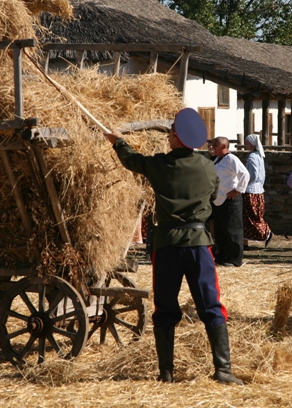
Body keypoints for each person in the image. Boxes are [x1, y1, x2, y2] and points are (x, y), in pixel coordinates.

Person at [104, 108, 242, 385]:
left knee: (165, 308)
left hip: (166, 245)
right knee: (211, 305)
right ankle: (223, 370)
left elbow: (132, 161)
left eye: (170, 134)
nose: (167, 137)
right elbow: (215, 193)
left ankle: (166, 372)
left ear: (178, 139)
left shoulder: (160, 165)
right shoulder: (207, 166)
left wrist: (117, 141)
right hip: (199, 245)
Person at [210, 137, 250, 267]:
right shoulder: (217, 160)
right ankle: (222, 257)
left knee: (233, 229)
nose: (212, 147)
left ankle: (234, 259)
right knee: (220, 229)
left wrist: (238, 190)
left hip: (230, 198)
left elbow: (245, 174)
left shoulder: (231, 159)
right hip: (219, 199)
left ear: (223, 147)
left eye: (215, 145)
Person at [242, 134, 273, 247]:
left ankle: (266, 232)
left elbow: (254, 174)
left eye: (247, 142)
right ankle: (244, 242)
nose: (245, 144)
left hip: (251, 191)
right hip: (258, 190)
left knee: (251, 217)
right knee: (248, 217)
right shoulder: (258, 156)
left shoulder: (253, 157)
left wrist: (244, 183)